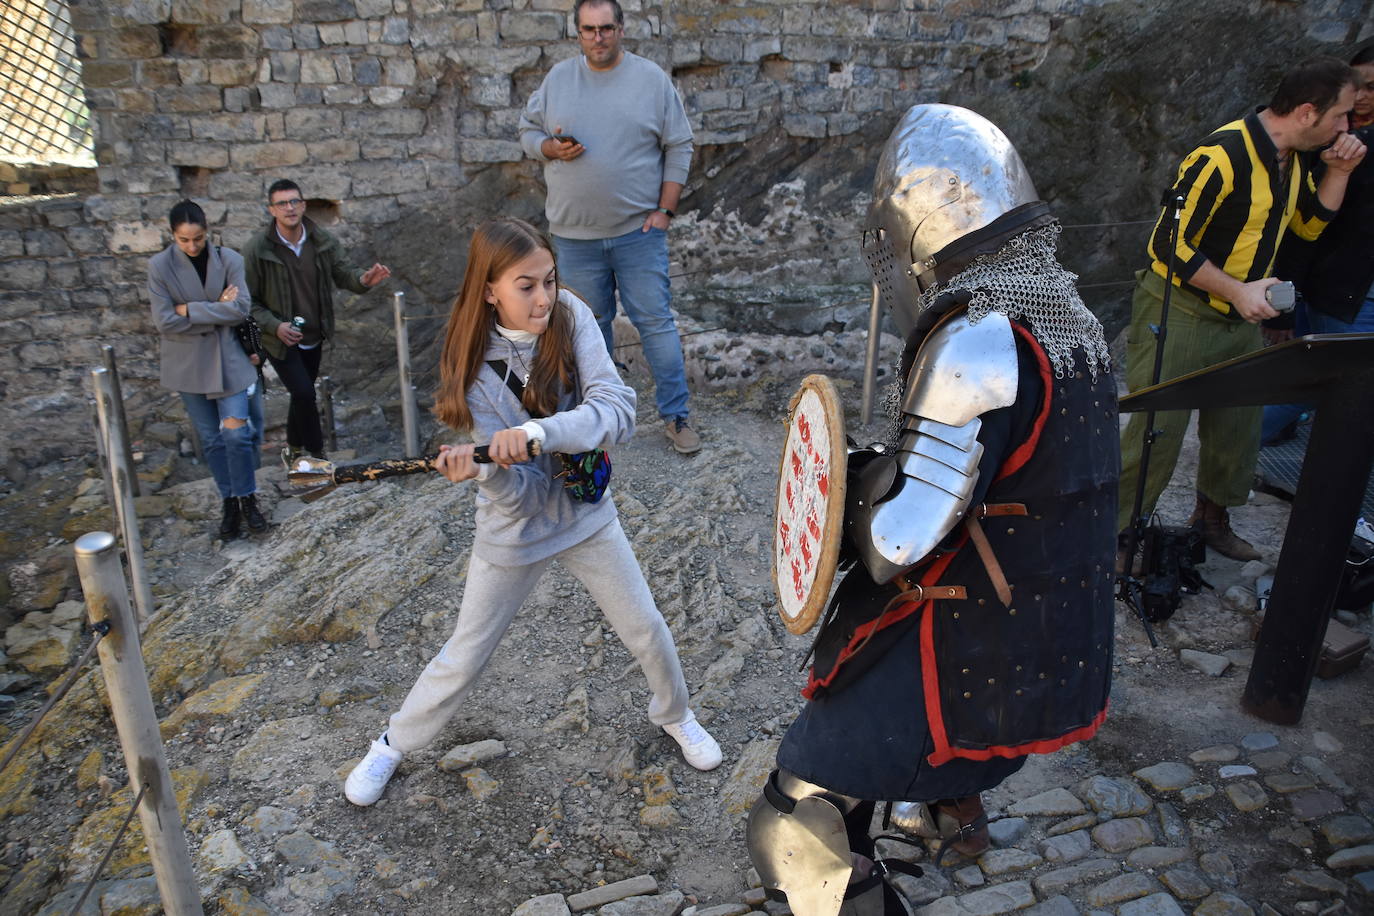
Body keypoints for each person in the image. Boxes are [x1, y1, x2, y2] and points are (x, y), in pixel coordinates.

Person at [746, 106, 1118, 916]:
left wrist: (839, 489)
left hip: (965, 656)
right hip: (1043, 642)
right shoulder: (1073, 321)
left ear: (914, 233)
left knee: (791, 826)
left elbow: (895, 543)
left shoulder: (979, 339)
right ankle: (937, 808)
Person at [343, 218, 721, 807]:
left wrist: (540, 432)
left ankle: (675, 714)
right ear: (490, 289)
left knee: (645, 627)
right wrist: (490, 469)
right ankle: (391, 743)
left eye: (549, 279)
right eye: (526, 285)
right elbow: (516, 492)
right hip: (514, 530)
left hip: (585, 513)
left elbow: (617, 408)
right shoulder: (470, 364)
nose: (544, 297)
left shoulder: (568, 315)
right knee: (464, 653)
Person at [1117, 57, 1367, 566]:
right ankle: (1120, 534)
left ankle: (1210, 521)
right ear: (1305, 112)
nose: (1348, 125)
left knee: (1238, 427)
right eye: (1340, 115)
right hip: (1181, 311)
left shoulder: (1293, 158)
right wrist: (1236, 291)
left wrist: (1339, 171)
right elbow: (1167, 243)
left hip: (1238, 317)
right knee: (1157, 429)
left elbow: (1308, 227)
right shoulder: (1222, 155)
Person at [517, 0, 701, 455]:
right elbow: (526, 131)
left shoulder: (650, 80)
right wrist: (548, 148)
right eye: (588, 30)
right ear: (577, 33)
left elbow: (679, 144)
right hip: (573, 238)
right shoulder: (558, 79)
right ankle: (592, 422)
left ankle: (676, 417)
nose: (597, 37)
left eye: (605, 28)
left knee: (655, 326)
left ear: (621, 28)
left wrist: (666, 211)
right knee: (585, 331)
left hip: (638, 234)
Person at [1261, 47, 1374, 444]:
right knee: (1335, 388)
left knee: (1317, 384)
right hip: (1339, 292)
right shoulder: (1323, 144)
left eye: (1371, 88)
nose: (1361, 97)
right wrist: (1280, 307)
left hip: (1336, 288)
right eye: (1357, 87)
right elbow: (1301, 229)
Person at [243, 178, 392, 465]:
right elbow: (247, 302)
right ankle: (316, 458)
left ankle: (293, 449)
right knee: (304, 392)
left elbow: (344, 272)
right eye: (282, 203)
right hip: (279, 339)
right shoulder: (256, 250)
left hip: (314, 334)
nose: (290, 208)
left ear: (304, 205)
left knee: (302, 394)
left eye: (294, 201)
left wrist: (364, 279)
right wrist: (275, 326)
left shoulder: (321, 240)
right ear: (271, 209)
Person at [148, 200, 268, 539]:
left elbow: (241, 310)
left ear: (207, 231)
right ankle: (229, 501)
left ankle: (248, 497)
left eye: (198, 238)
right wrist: (216, 308)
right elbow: (163, 321)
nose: (192, 246)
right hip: (187, 365)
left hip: (229, 360)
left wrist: (190, 310)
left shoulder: (230, 259)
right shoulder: (159, 266)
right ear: (172, 235)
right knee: (212, 440)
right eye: (184, 240)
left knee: (237, 434)